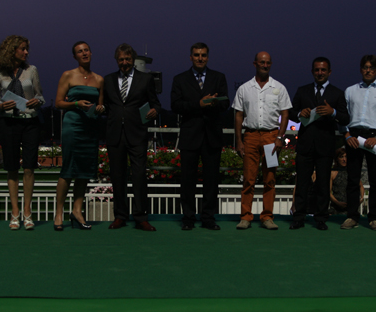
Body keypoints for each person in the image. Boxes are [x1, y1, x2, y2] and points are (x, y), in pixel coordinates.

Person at [171, 42, 229, 230]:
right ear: (191, 57)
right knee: (187, 180)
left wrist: (214, 103)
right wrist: (199, 104)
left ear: (208, 57)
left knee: (211, 181)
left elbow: (226, 103)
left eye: (203, 55)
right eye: (196, 55)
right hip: (190, 136)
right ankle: (188, 218)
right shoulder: (180, 79)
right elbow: (175, 105)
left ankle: (208, 218)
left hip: (212, 135)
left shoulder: (218, 77)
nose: (200, 58)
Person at [104, 43, 161, 231]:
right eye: (121, 59)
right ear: (116, 60)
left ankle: (141, 217)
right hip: (115, 135)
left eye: (127, 59)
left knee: (139, 176)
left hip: (137, 134)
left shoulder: (145, 79)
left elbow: (156, 103)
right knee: (117, 177)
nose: (124, 62)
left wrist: (155, 110)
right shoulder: (108, 80)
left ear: (133, 59)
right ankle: (120, 216)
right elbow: (106, 106)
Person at [0, 35, 45, 230]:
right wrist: (1, 106)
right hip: (8, 123)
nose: (26, 52)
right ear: (11, 50)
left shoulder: (31, 70)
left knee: (29, 167)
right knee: (12, 168)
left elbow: (40, 96)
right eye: (22, 48)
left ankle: (27, 212)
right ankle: (15, 212)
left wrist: (37, 101)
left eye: (27, 48)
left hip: (30, 122)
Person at [232, 51, 291, 230]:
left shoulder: (279, 87)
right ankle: (245, 217)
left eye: (268, 63)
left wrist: (280, 137)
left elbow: (285, 113)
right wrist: (239, 141)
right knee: (248, 179)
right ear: (255, 64)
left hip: (271, 137)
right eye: (262, 62)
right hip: (250, 136)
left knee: (270, 179)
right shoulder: (244, 88)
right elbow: (238, 115)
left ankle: (267, 217)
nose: (265, 65)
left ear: (271, 64)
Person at [290, 57, 349, 230]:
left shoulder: (337, 93)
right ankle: (299, 217)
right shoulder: (302, 91)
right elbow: (291, 112)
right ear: (312, 71)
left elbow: (345, 118)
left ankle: (321, 218)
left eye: (323, 70)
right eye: (317, 70)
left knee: (323, 183)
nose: (320, 73)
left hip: (325, 145)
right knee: (302, 182)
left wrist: (333, 112)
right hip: (305, 144)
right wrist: (300, 113)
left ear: (329, 72)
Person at [53, 41, 105, 231]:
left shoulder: (99, 79)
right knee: (68, 169)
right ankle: (59, 212)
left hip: (90, 127)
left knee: (84, 170)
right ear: (75, 56)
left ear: (91, 52)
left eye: (86, 50)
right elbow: (58, 103)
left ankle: (77, 211)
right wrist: (76, 104)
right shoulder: (68, 75)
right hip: (73, 125)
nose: (84, 53)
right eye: (80, 51)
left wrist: (100, 108)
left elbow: (101, 105)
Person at [341, 55, 376, 231]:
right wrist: (347, 135)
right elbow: (343, 115)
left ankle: (374, 217)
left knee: (375, 179)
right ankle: (352, 216)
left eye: (371, 68)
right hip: (354, 136)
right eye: (365, 67)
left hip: (374, 137)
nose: (368, 71)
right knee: (353, 178)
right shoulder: (350, 91)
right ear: (361, 69)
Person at [329, 147, 364, 215]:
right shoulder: (333, 173)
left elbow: (361, 186)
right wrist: (337, 203)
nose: (344, 159)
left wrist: (361, 198)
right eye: (341, 157)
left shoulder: (351, 172)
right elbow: (328, 192)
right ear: (337, 159)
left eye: (346, 157)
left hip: (350, 207)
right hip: (336, 207)